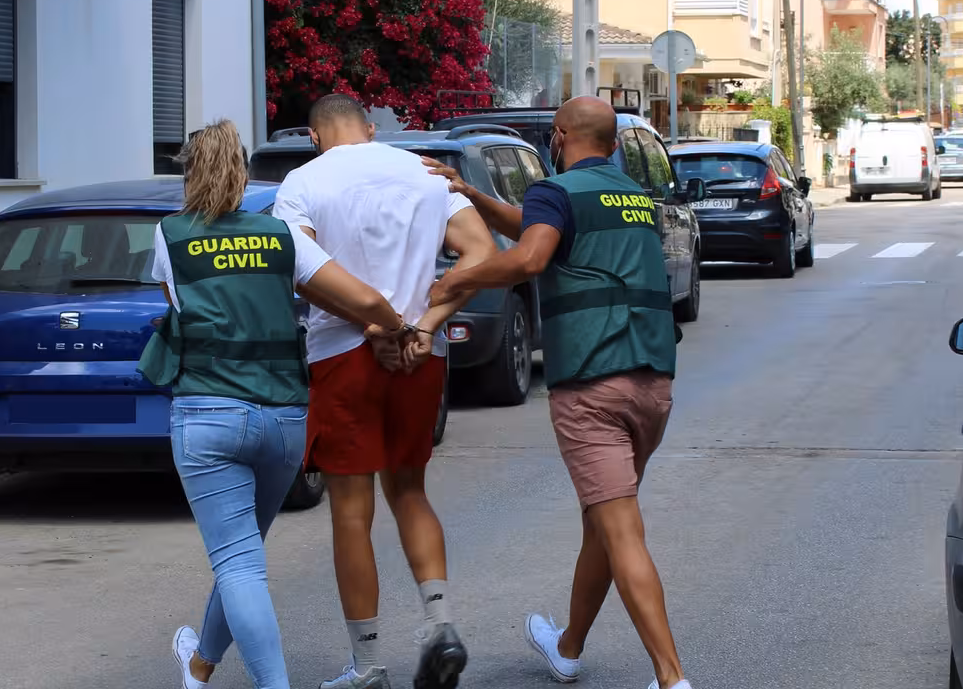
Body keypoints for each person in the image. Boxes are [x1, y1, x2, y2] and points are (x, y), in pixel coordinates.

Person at [424, 96, 693, 689]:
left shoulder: (556, 190)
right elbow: (539, 228)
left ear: (560, 136)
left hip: (593, 385)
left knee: (620, 529)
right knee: (604, 521)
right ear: (615, 144)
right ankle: (567, 648)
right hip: (651, 383)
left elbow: (532, 254)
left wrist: (457, 278)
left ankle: (671, 679)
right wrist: (471, 195)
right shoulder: (632, 196)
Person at [138, 119, 409, 689]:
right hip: (284, 418)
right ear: (242, 174)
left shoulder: (171, 233)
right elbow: (362, 298)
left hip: (209, 414)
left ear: (189, 174)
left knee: (238, 562)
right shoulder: (281, 234)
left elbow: (178, 304)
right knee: (242, 555)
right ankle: (200, 667)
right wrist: (397, 328)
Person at [270, 94, 497, 689]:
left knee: (351, 512)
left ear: (314, 136)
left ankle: (369, 664)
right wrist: (424, 322)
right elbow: (482, 253)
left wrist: (376, 326)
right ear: (371, 129)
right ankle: (441, 625)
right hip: (422, 354)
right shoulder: (422, 171)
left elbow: (303, 271)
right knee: (411, 491)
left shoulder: (302, 182)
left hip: (344, 353)